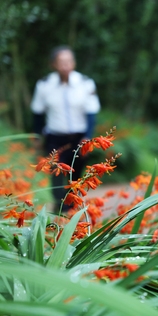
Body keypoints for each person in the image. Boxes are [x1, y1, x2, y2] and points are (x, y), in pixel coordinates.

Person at [31, 45, 100, 212]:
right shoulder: (44, 85)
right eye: (61, 62)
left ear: (74, 63)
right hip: (55, 137)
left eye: (69, 61)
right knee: (56, 170)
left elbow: (92, 112)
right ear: (53, 64)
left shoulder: (85, 83)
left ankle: (71, 208)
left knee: (75, 174)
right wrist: (36, 137)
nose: (65, 65)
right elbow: (37, 113)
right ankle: (59, 206)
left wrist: (88, 137)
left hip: (79, 137)